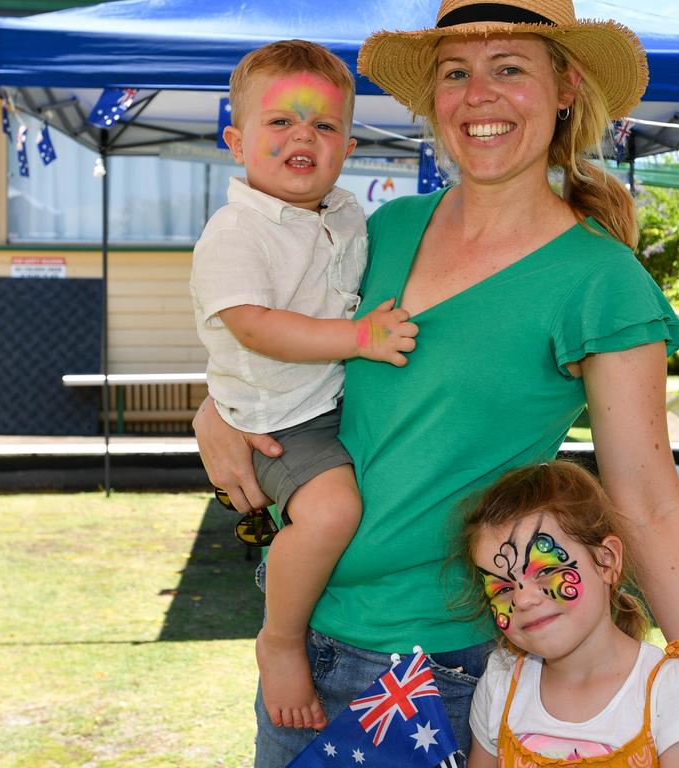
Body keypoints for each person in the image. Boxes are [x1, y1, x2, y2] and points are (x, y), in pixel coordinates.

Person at [193, 2, 679, 765]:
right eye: (457, 72)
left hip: (441, 675)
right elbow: (268, 341)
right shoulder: (375, 230)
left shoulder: (599, 281)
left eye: (509, 67)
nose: (478, 94)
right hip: (302, 653)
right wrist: (213, 409)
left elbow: (646, 499)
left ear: (565, 89)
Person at [190, 40, 418, 732]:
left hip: (326, 402)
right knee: (329, 514)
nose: (302, 137)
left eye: (322, 126)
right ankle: (281, 638)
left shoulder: (348, 214)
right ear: (236, 140)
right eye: (281, 121)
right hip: (280, 418)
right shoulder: (235, 232)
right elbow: (255, 327)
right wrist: (360, 340)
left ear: (348, 145)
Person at [462, 461, 679, 767]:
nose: (523, 599)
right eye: (503, 588)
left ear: (607, 561)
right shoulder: (500, 683)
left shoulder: (673, 690)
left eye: (546, 570)